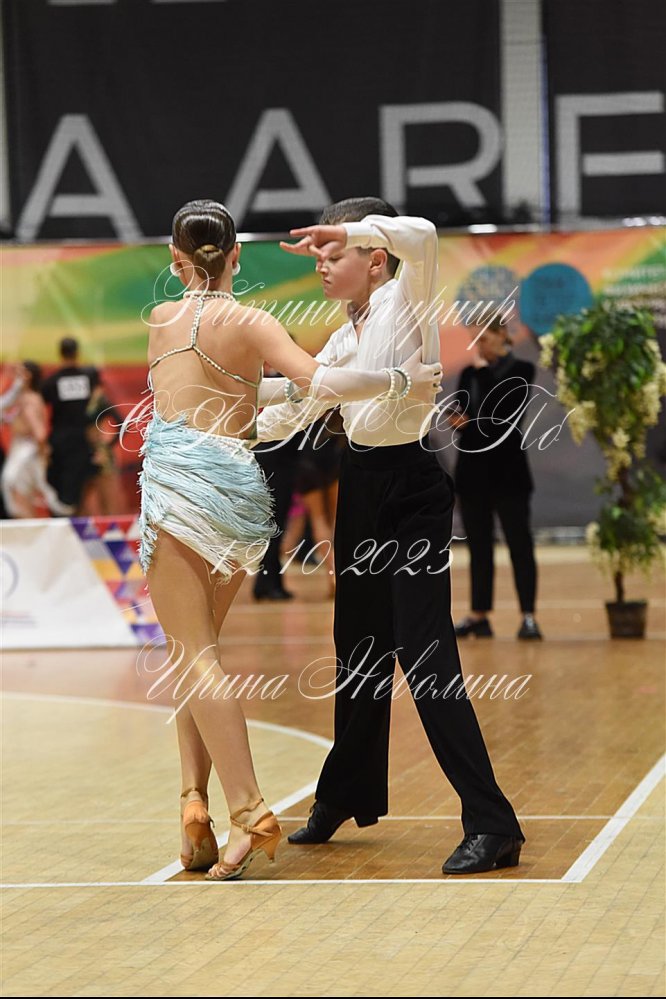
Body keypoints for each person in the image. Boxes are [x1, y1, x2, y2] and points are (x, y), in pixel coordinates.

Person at [137, 198, 440, 881]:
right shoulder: (253, 322)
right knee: (198, 653)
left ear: (176, 260)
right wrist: (398, 379)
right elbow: (310, 385)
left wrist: (391, 378)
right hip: (236, 494)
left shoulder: (160, 320)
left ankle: (247, 810)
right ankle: (193, 806)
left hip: (180, 490)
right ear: (236, 256)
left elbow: (213, 398)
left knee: (192, 656)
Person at [252, 197, 526, 875]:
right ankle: (344, 793)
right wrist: (208, 402)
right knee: (358, 650)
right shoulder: (347, 332)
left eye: (334, 253)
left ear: (375, 258)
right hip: (361, 489)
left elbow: (424, 234)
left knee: (426, 656)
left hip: (411, 494)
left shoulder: (408, 295)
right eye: (320, 254)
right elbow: (300, 399)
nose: (321, 264)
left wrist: (351, 227)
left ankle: (493, 824)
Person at [450, 318, 543, 640]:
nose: (479, 347)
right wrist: (471, 422)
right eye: (475, 340)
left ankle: (528, 615)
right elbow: (459, 415)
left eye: (484, 339)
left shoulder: (522, 371)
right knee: (479, 547)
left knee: (520, 544)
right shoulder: (469, 373)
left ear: (502, 335)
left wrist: (473, 422)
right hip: (472, 473)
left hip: (509, 474)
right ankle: (479, 614)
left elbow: (502, 419)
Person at [1, 361, 74, 518]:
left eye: (21, 371)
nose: (16, 375)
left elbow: (39, 433)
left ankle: (28, 529)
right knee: (20, 493)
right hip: (24, 449)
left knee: (17, 493)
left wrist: (41, 452)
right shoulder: (24, 397)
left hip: (27, 450)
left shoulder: (29, 400)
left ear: (28, 376)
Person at [41, 337, 100, 513]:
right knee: (79, 482)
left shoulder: (52, 381)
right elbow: (96, 405)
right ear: (77, 352)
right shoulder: (88, 379)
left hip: (60, 438)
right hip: (82, 438)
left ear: (60, 353)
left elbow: (41, 408)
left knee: (61, 482)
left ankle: (64, 517)